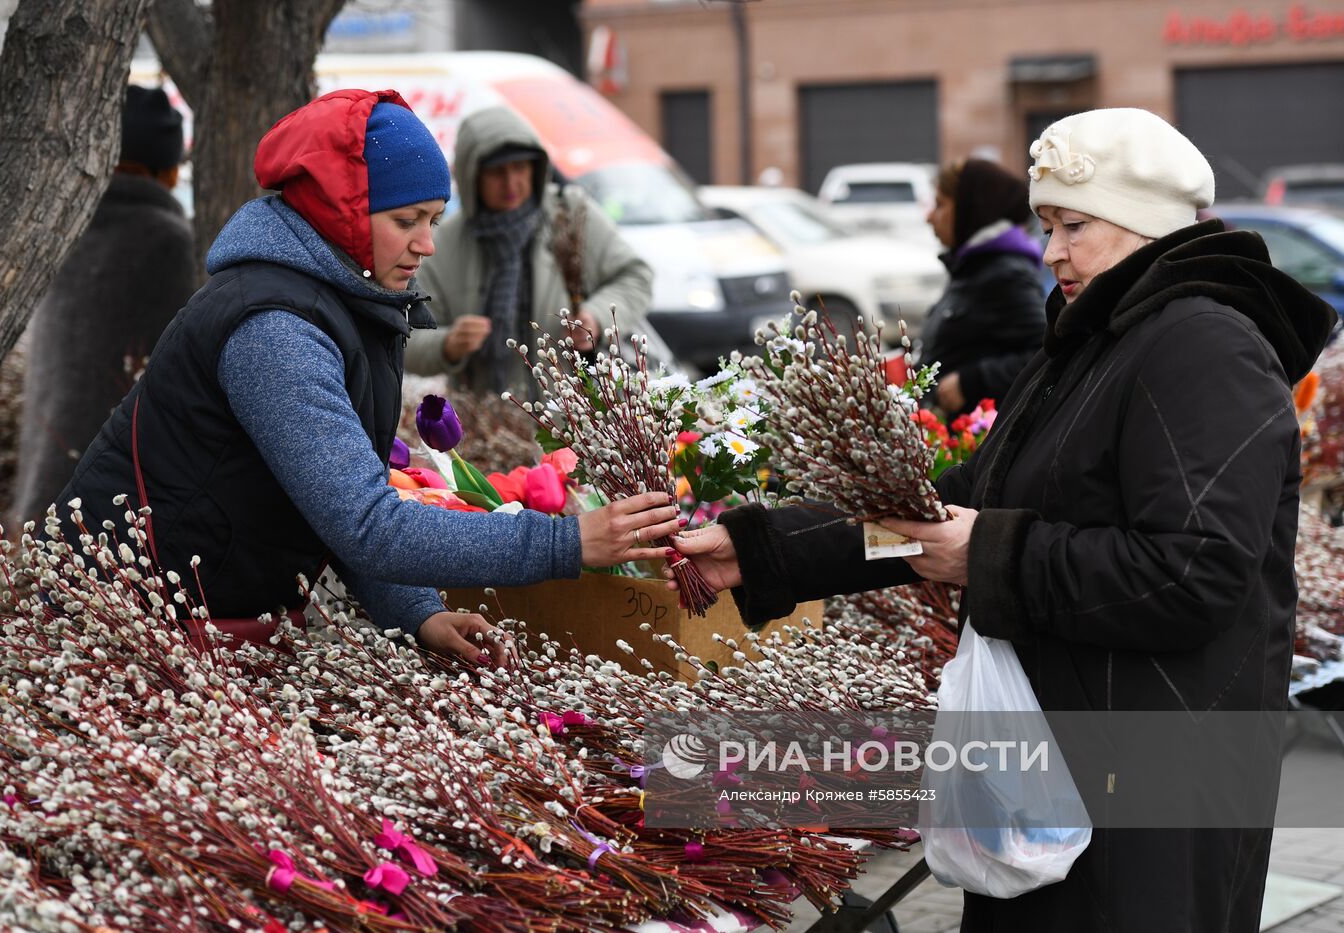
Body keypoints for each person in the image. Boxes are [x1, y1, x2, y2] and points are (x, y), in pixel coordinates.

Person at [670, 109, 1337, 930]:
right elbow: (952, 507)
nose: (1050, 251)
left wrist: (989, 553)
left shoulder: (1203, 347)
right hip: (1057, 772)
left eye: (1073, 226)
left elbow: (1190, 573)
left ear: (1144, 223)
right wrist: (766, 548)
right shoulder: (1095, 341)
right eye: (1046, 225)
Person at [54, 90, 681, 665]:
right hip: (124, 630)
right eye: (407, 220)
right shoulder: (274, 327)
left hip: (194, 628)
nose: (428, 245)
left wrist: (416, 613)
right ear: (341, 211)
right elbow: (368, 524)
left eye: (435, 220)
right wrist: (566, 543)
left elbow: (333, 504)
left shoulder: (344, 303)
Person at [12, 86, 198, 523]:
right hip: (115, 496)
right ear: (166, 168)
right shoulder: (165, 240)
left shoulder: (66, 231)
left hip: (46, 472)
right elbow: (175, 370)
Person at [407, 105, 653, 395]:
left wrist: (596, 317)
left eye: (520, 167)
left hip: (574, 422)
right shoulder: (445, 242)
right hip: (488, 429)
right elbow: (407, 338)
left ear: (537, 167)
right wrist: (448, 345)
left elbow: (635, 276)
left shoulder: (570, 215)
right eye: (497, 172)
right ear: (472, 174)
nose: (511, 182)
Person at [920, 158, 1046, 415]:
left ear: (971, 209)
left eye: (940, 204)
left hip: (977, 442)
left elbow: (1045, 353)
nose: (930, 217)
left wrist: (972, 381)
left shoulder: (1005, 274)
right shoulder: (972, 265)